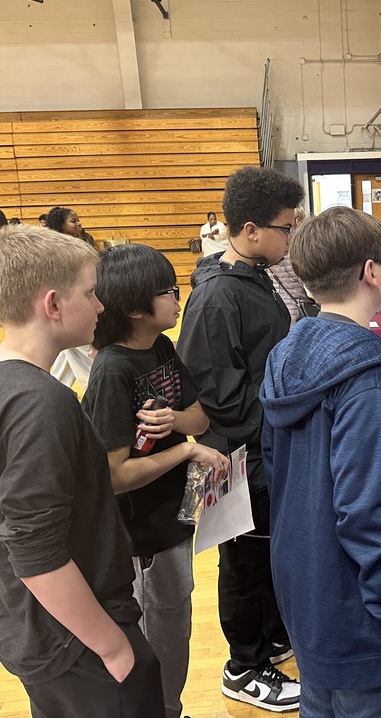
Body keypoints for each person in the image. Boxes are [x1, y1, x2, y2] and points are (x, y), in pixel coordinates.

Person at [0, 223, 164, 717]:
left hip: (44, 632)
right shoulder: (39, 404)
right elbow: (34, 550)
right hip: (76, 642)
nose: (100, 306)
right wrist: (112, 647)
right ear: (52, 305)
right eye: (91, 294)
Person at [260, 207, 381, 718]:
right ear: (372, 271)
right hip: (361, 617)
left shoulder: (284, 353)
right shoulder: (370, 372)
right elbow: (368, 513)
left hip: (307, 595)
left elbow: (278, 474)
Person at [82, 243, 231, 718]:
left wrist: (180, 428)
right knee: (159, 632)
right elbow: (115, 476)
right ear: (133, 308)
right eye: (167, 291)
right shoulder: (112, 372)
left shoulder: (161, 346)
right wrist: (185, 447)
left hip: (174, 518)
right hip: (142, 534)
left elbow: (200, 417)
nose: (177, 297)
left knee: (176, 625)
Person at [176, 166, 303, 712]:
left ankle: (270, 638)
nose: (290, 238)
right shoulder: (216, 299)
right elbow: (220, 398)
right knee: (244, 561)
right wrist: (292, 413)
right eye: (285, 229)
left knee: (269, 552)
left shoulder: (258, 278)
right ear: (250, 230)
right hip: (233, 458)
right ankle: (242, 666)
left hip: (265, 450)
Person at [45, 207, 98, 388]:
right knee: (84, 352)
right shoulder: (56, 249)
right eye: (73, 221)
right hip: (69, 306)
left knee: (67, 354)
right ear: (61, 224)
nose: (79, 224)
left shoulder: (79, 243)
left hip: (78, 302)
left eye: (78, 220)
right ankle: (96, 391)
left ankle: (55, 388)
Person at [267, 204, 319, 325]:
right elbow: (309, 288)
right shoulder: (300, 251)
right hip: (300, 311)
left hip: (279, 309)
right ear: (297, 221)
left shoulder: (273, 250)